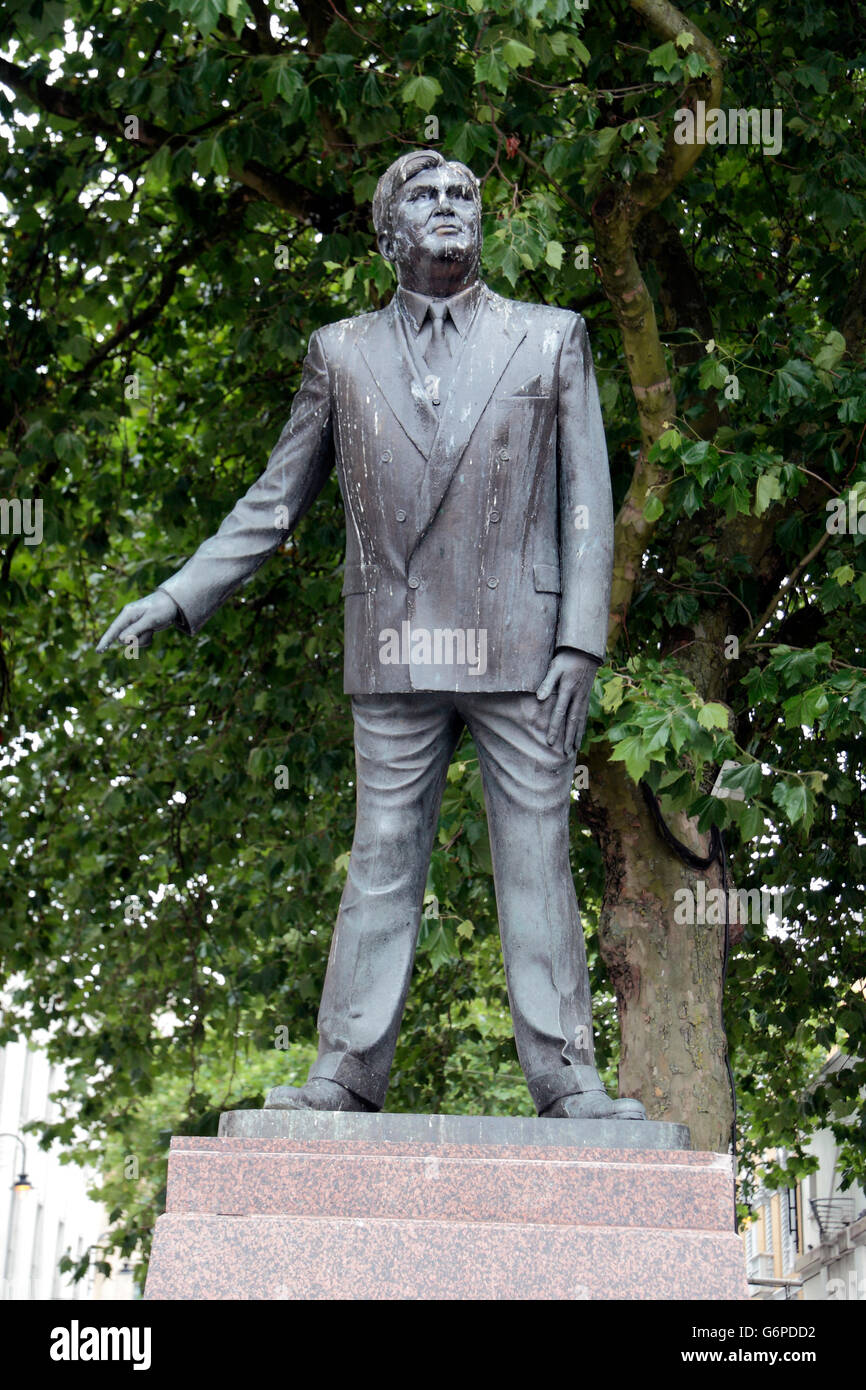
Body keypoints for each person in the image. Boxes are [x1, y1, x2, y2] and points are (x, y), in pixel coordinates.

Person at [97, 149, 646, 1122]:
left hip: (521, 646)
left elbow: (585, 504)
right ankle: (345, 1074)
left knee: (535, 857)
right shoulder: (337, 352)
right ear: (387, 232)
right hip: (393, 647)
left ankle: (567, 1080)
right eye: (424, 197)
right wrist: (181, 595)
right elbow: (274, 505)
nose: (448, 208)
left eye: (462, 196)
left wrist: (579, 643)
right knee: (383, 855)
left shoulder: (550, 338)